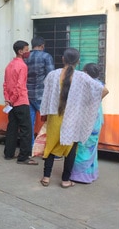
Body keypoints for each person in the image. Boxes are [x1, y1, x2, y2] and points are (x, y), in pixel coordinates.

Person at [39, 48, 108, 188]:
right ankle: (65, 180)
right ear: (78, 61)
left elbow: (46, 96)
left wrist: (44, 114)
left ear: (63, 59)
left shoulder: (52, 75)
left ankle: (46, 177)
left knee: (51, 147)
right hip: (73, 119)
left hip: (55, 117)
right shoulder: (83, 77)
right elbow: (104, 90)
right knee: (71, 150)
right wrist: (88, 105)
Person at [2, 40, 39, 165]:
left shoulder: (9, 65)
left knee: (12, 127)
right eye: (26, 50)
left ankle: (9, 153)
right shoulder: (22, 66)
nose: (28, 52)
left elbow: (5, 84)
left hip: (11, 103)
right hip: (21, 101)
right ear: (20, 51)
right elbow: (20, 86)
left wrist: (8, 99)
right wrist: (13, 100)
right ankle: (24, 156)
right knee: (26, 129)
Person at [70, 63, 105, 184]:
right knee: (91, 147)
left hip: (87, 119)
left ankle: (80, 176)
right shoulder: (99, 84)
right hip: (96, 119)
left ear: (85, 73)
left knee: (82, 146)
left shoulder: (87, 85)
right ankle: (91, 174)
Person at [25, 36, 55, 150]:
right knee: (50, 121)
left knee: (30, 124)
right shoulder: (46, 56)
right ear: (42, 46)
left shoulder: (25, 57)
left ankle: (31, 148)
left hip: (28, 94)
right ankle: (50, 149)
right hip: (42, 94)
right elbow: (51, 76)